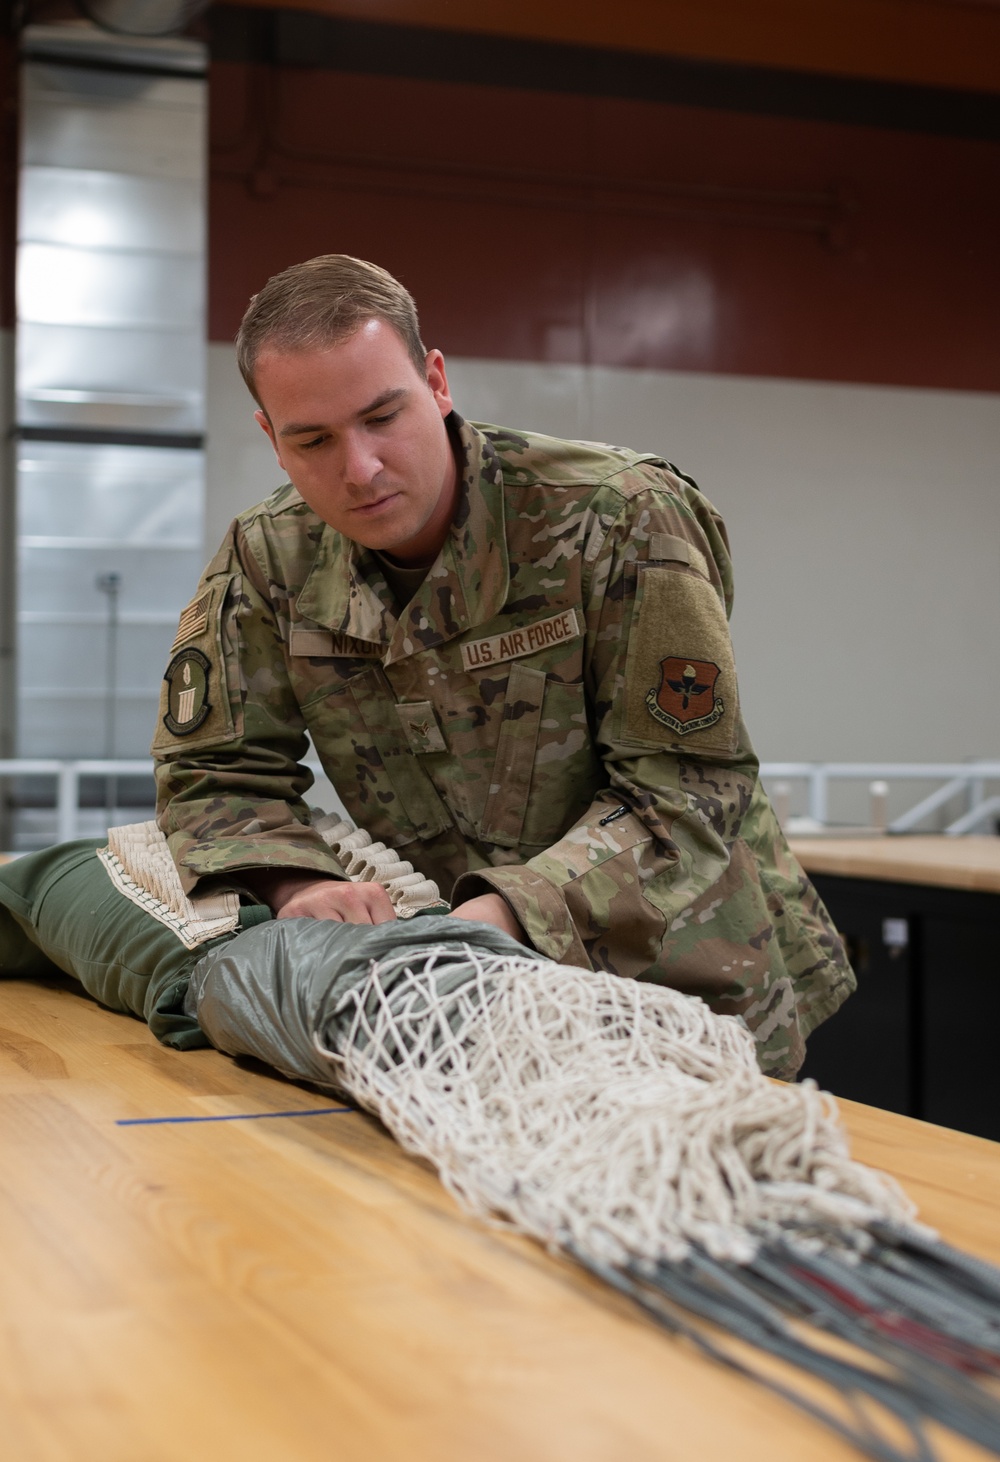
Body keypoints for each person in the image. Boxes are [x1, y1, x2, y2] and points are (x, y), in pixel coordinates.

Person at [151, 254, 853, 1080]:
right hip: (466, 1001)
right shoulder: (270, 558)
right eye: (313, 439)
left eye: (384, 416)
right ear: (271, 438)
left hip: (686, 989)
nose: (361, 468)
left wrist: (500, 915)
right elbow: (213, 772)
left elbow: (690, 793)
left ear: (437, 381)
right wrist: (295, 884)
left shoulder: (618, 517)